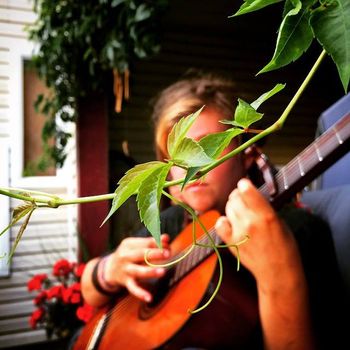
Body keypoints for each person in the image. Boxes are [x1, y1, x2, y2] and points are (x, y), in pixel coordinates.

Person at [80, 72, 347, 349]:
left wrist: (279, 276)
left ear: (248, 155)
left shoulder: (299, 231)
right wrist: (107, 270)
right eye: (174, 156)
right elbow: (88, 288)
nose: (190, 167)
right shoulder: (171, 223)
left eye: (207, 147)